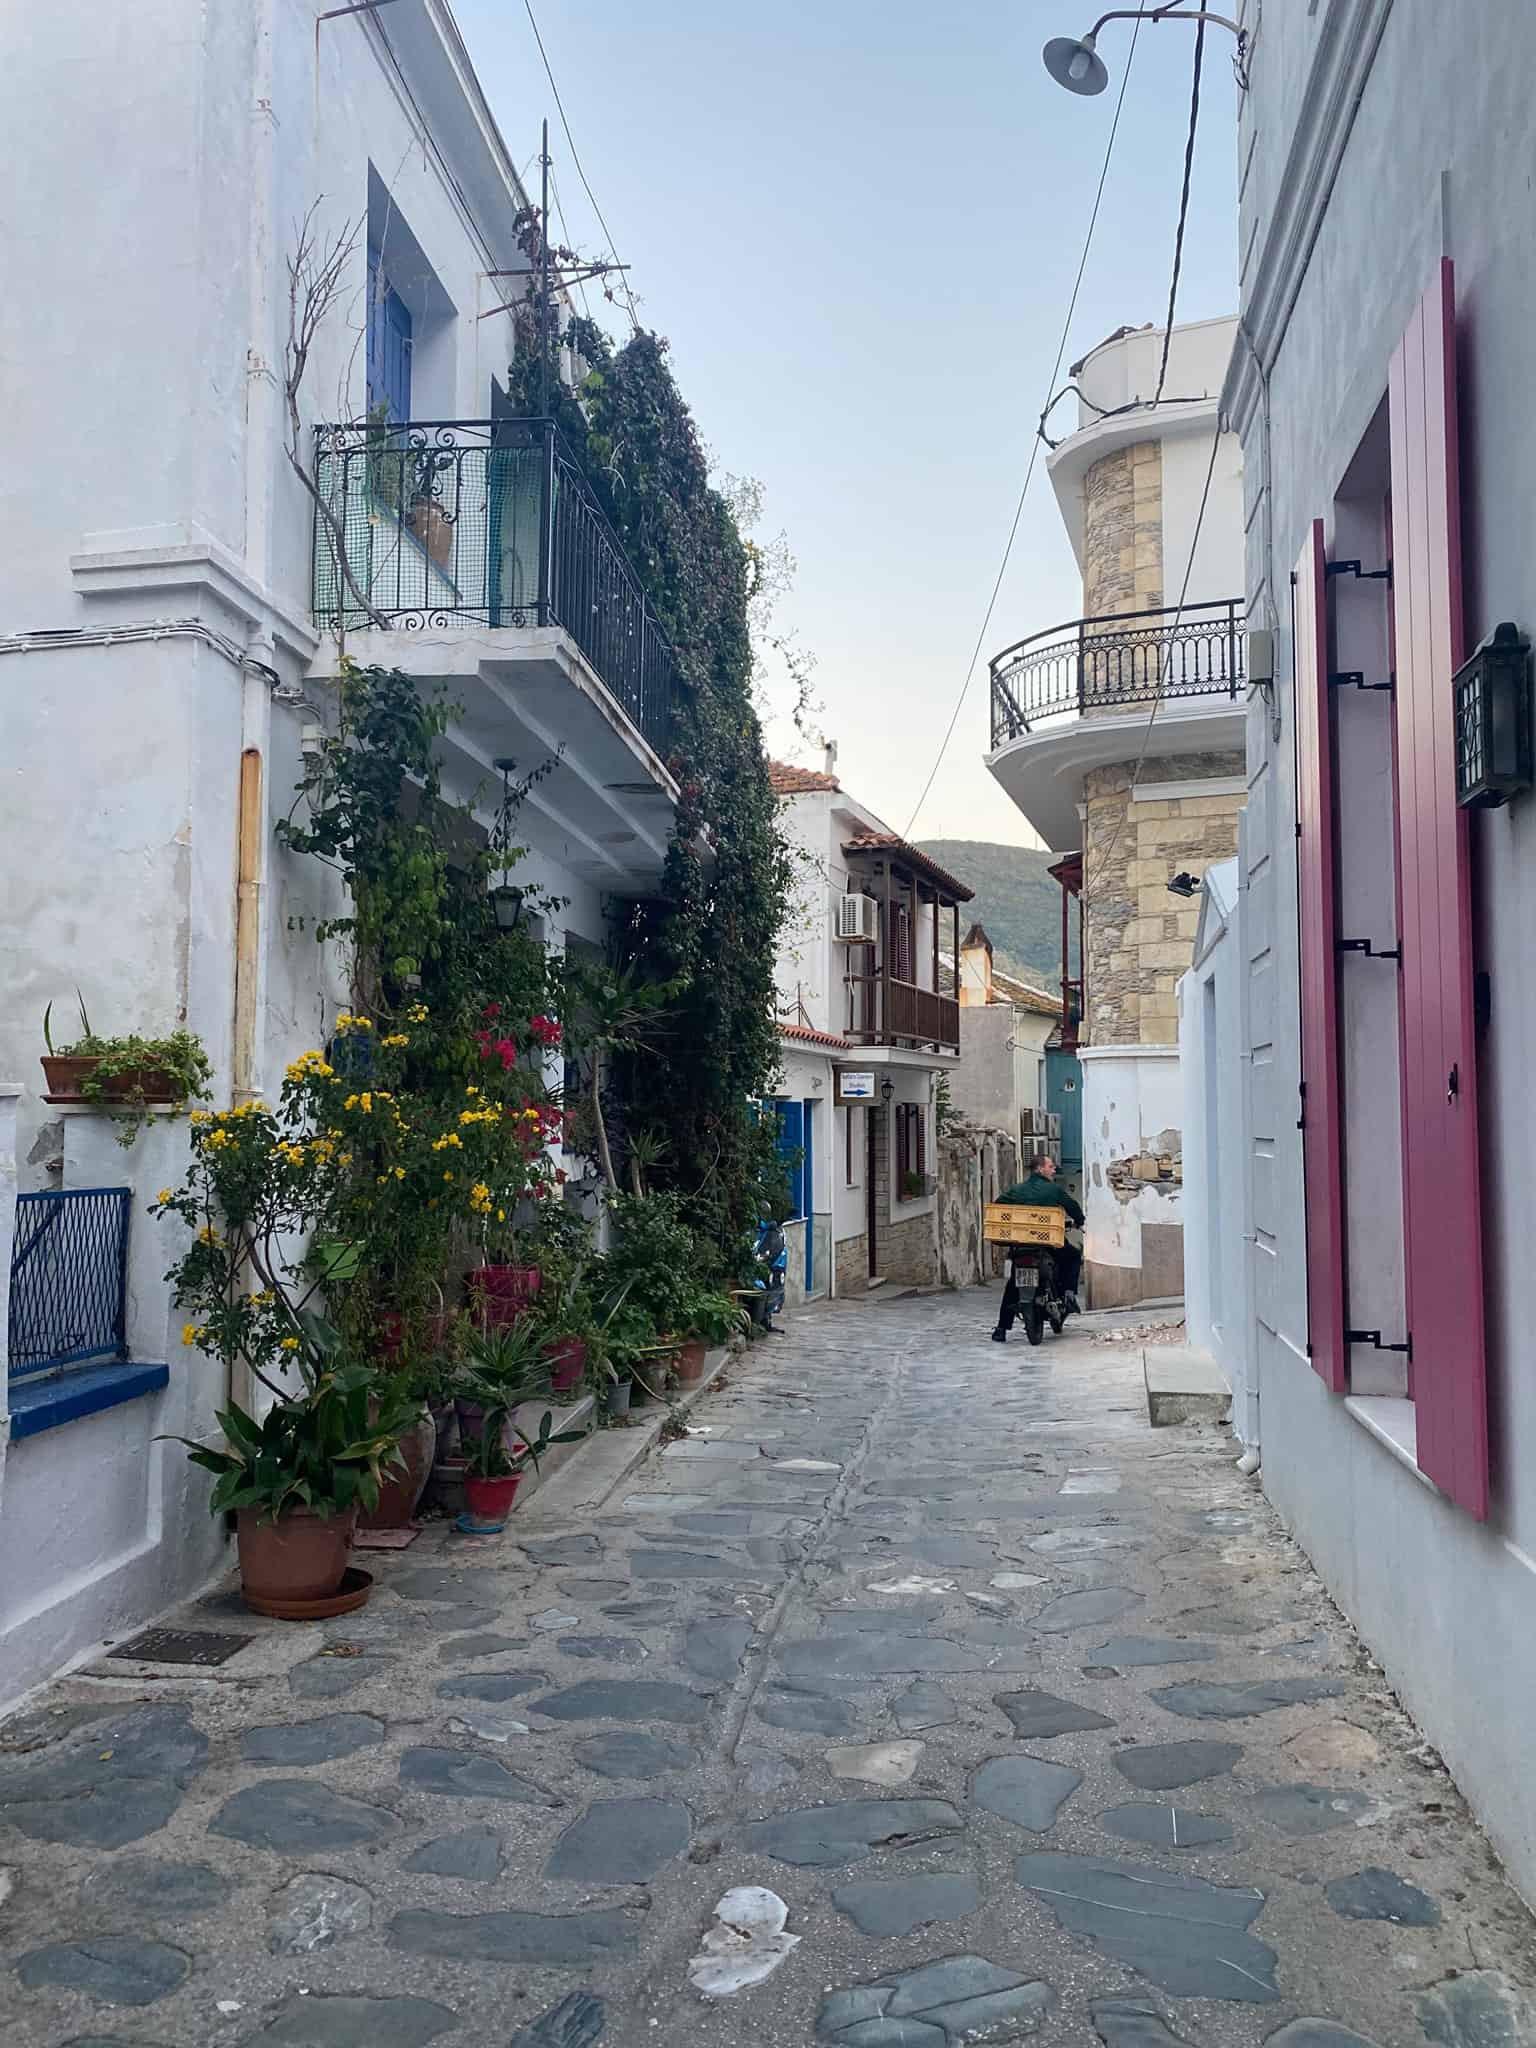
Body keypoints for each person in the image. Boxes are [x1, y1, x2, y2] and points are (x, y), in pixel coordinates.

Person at [992, 1151, 1084, 1340]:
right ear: (1040, 1168)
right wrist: (1080, 1221)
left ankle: (1001, 1329)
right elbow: (1072, 1206)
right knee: (1073, 1256)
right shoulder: (1053, 1189)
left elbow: (999, 1205)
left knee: (1013, 1285)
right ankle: (1068, 1294)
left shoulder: (1016, 1190)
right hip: (1047, 1242)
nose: (1054, 1169)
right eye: (1050, 1166)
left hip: (1022, 1244)